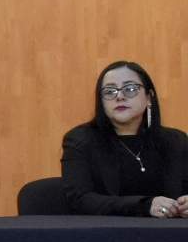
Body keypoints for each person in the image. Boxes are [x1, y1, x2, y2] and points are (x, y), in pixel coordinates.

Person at [61, 60, 188, 217]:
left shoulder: (176, 141)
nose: (120, 96)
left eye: (130, 89)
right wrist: (145, 205)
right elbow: (80, 200)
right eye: (109, 91)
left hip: (169, 236)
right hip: (107, 235)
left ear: (149, 97)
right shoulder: (80, 140)